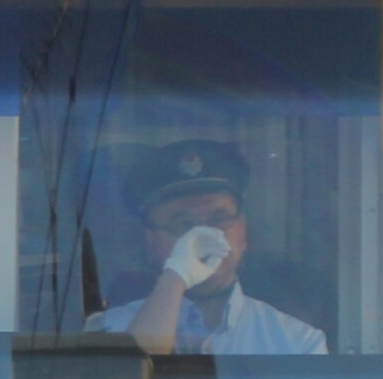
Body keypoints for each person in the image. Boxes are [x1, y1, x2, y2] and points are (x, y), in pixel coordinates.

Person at [86, 141, 328, 358]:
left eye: (219, 218)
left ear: (242, 232)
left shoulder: (297, 342)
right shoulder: (115, 327)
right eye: (183, 224)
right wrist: (177, 274)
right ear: (151, 242)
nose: (203, 236)